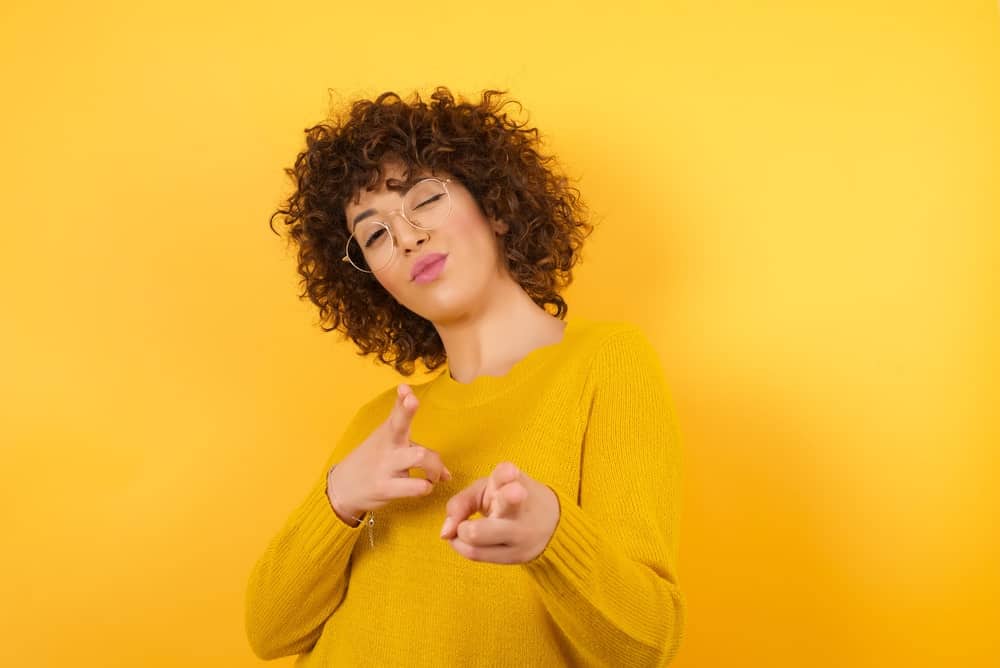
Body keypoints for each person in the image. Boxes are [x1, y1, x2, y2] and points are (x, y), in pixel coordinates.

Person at [245, 86, 685, 666]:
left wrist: (552, 538)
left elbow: (645, 647)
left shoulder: (606, 362)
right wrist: (341, 497)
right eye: (374, 234)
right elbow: (271, 633)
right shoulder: (379, 423)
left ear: (495, 207)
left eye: (424, 199)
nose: (405, 237)